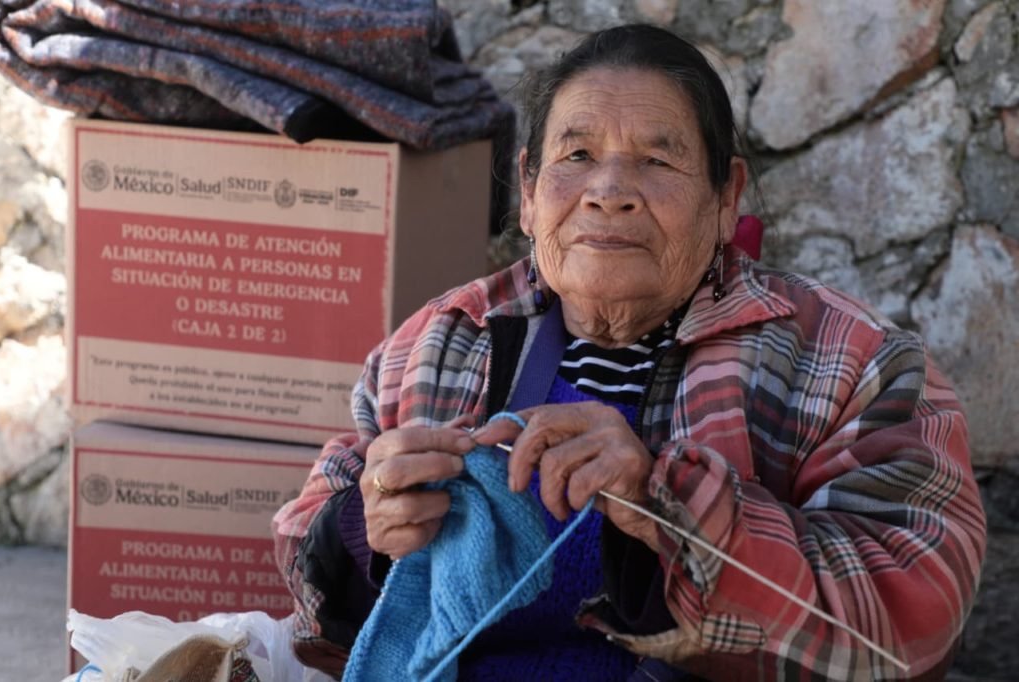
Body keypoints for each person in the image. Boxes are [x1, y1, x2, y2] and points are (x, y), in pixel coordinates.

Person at [272, 24, 986, 681]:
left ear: (725, 196)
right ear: (527, 191)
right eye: (577, 156)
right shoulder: (439, 342)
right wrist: (364, 536)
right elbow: (305, 549)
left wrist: (668, 509)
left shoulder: (852, 363)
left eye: (656, 159)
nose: (609, 192)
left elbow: (917, 625)